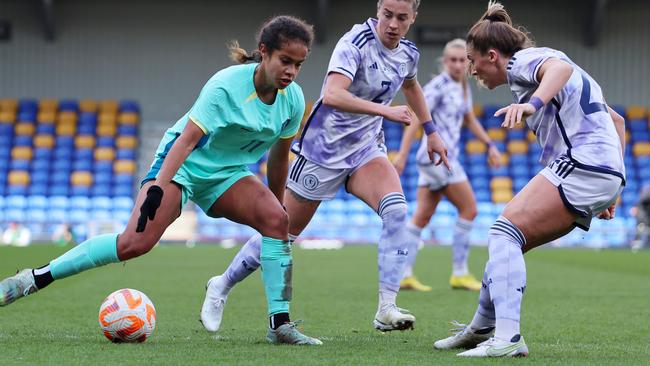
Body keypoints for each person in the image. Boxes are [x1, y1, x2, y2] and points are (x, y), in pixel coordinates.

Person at [0, 15, 322, 346]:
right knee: (133, 244)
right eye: (285, 61)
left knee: (276, 221)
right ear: (264, 52)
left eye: (298, 64)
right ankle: (33, 278)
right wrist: (157, 188)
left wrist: (279, 204)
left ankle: (279, 325)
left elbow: (279, 157)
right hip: (183, 166)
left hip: (228, 175)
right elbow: (185, 141)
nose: (291, 72)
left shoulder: (293, 100)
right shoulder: (226, 86)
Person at [200, 0, 449, 334]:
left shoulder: (408, 53)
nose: (393, 23)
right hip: (323, 150)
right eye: (387, 15)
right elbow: (332, 94)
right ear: (378, 10)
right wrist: (385, 111)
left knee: (396, 210)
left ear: (413, 18)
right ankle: (222, 284)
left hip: (366, 150)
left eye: (402, 17)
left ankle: (386, 308)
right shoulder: (355, 43)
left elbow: (411, 85)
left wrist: (431, 131)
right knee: (284, 231)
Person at [433, 1, 625, 357]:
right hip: (602, 170)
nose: (472, 71)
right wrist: (615, 189)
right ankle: (482, 327)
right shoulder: (534, 66)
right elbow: (617, 123)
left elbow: (560, 68)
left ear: (492, 56)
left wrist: (532, 105)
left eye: (473, 62)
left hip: (582, 164)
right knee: (508, 244)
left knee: (502, 232)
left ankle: (506, 338)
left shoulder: (524, 61)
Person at [393, 38, 503, 292]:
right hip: (437, 160)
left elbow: (469, 119)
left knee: (422, 216)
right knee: (470, 208)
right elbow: (418, 119)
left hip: (441, 160)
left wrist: (489, 144)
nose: (457, 64)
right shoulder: (437, 87)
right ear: (444, 62)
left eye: (462, 60)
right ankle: (460, 273)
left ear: (468, 62)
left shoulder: (463, 86)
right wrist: (402, 154)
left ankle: (402, 274)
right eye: (452, 60)